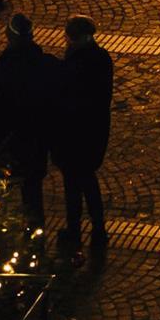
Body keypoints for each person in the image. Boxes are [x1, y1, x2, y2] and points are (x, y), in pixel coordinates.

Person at [0, 12, 62, 227]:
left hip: (8, 138)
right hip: (37, 137)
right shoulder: (46, 64)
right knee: (32, 188)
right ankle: (35, 233)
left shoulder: (3, 69)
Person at [53, 16, 116, 264]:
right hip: (95, 129)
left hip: (74, 131)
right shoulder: (102, 59)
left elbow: (64, 96)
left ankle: (74, 230)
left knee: (73, 182)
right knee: (88, 178)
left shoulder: (74, 63)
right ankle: (98, 228)